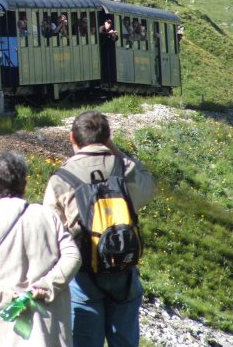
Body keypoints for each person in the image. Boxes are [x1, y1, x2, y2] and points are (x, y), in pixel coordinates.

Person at [43, 112, 156, 347]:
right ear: (107, 137)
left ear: (71, 137)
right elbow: (149, 187)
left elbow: (50, 232)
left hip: (83, 276)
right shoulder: (124, 168)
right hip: (123, 271)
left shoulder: (61, 178)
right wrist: (115, 150)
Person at [0, 152, 81, 347]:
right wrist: (46, 286)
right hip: (42, 323)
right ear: (24, 183)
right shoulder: (48, 217)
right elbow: (73, 257)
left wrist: (7, 302)